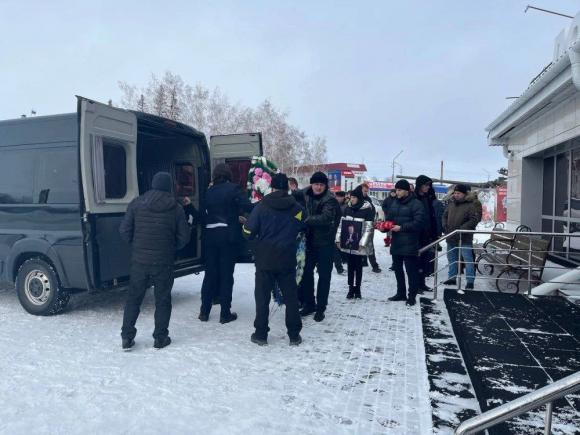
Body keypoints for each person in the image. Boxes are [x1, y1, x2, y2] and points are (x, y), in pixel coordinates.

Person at [119, 172, 191, 350]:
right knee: (163, 300)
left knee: (134, 299)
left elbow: (124, 231)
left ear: (153, 184)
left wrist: (137, 245)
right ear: (169, 186)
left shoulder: (136, 203)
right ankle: (160, 337)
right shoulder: (176, 208)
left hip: (139, 261)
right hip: (164, 261)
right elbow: (184, 237)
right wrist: (170, 247)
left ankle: (127, 337)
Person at [243, 173, 306, 346]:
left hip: (265, 259)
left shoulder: (262, 206)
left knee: (262, 297)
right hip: (287, 258)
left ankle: (261, 334)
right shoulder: (296, 208)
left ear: (272, 187)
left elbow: (248, 231)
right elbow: (303, 224)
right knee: (291, 297)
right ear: (287, 187)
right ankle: (294, 335)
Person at [198, 163, 253, 324]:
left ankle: (204, 311)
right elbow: (246, 206)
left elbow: (203, 215)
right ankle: (225, 314)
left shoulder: (208, 192)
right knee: (226, 275)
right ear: (228, 174)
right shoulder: (234, 189)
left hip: (210, 237)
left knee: (210, 275)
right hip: (227, 238)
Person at [299, 171, 341, 322]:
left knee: (324, 277)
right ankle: (309, 303)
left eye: (321, 185)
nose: (318, 187)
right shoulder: (305, 193)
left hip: (325, 243)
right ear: (311, 184)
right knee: (305, 274)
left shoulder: (330, 200)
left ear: (325, 186)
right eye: (316, 184)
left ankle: (321, 308)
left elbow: (325, 218)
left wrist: (305, 219)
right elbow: (292, 199)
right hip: (309, 242)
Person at [385, 179, 425, 306]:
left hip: (410, 243)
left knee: (411, 271)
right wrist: (384, 226)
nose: (397, 192)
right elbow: (389, 219)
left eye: (400, 190)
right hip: (396, 242)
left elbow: (419, 223)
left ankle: (411, 296)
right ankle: (400, 293)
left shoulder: (416, 204)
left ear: (407, 191)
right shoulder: (394, 203)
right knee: (398, 270)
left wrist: (401, 228)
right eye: (396, 190)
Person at [338, 186, 375, 299]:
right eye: (351, 197)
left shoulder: (367, 209)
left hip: (359, 245)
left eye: (354, 197)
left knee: (358, 267)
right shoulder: (347, 208)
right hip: (349, 243)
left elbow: (369, 228)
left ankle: (357, 289)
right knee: (350, 266)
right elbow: (341, 225)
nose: (351, 199)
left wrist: (362, 243)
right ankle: (350, 289)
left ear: (358, 198)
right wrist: (338, 239)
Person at [442, 184, 481, 290]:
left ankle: (470, 281)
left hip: (464, 237)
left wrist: (461, 229)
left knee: (468, 260)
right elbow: (444, 215)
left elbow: (474, 220)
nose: (456, 195)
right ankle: (452, 277)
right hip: (451, 236)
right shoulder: (451, 204)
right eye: (455, 193)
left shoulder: (470, 205)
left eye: (458, 193)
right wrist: (445, 225)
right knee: (452, 259)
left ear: (464, 194)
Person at [414, 175, 438, 292]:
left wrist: (434, 232)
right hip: (417, 234)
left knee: (425, 260)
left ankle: (422, 283)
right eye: (426, 185)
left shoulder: (427, 198)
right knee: (416, 261)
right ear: (420, 185)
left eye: (429, 185)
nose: (428, 187)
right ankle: (416, 285)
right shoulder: (414, 198)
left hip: (427, 233)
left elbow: (431, 216)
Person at [361, 183, 381, 273]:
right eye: (364, 191)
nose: (365, 193)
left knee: (369, 245)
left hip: (368, 225)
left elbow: (372, 212)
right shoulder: (356, 199)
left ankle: (374, 265)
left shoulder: (368, 200)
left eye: (366, 191)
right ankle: (361, 262)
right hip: (358, 225)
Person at [333, 191, 347, 274]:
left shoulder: (346, 206)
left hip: (341, 230)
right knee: (334, 249)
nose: (338, 198)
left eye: (339, 197)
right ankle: (339, 268)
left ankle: (340, 266)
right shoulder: (332, 205)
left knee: (338, 248)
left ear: (343, 197)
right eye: (337, 196)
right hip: (332, 230)